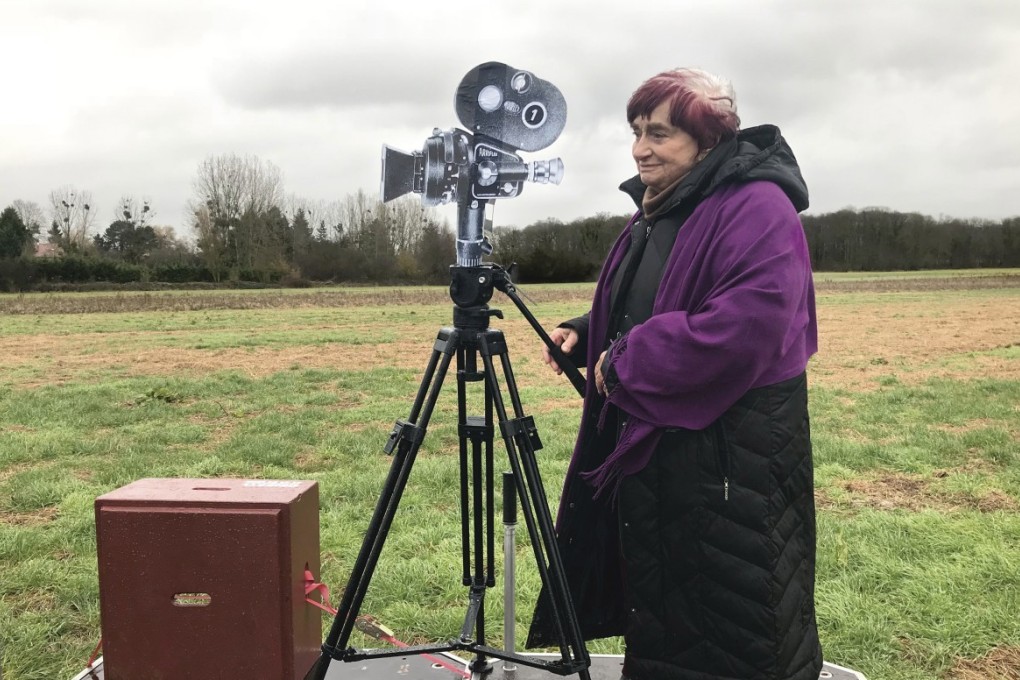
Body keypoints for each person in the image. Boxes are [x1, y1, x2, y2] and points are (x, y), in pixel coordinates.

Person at [526, 68, 823, 680]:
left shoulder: (757, 205)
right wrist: (589, 331)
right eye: (636, 131)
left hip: (730, 463)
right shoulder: (663, 208)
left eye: (658, 133)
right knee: (666, 615)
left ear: (708, 137)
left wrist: (630, 360)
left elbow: (747, 324)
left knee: (737, 615)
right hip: (666, 459)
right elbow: (659, 297)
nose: (640, 148)